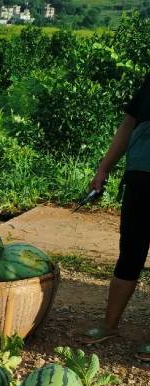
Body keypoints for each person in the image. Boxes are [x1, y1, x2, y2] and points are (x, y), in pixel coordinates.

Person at [83, 73, 150, 359]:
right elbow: (128, 124)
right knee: (129, 253)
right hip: (140, 176)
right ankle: (109, 324)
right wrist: (103, 168)